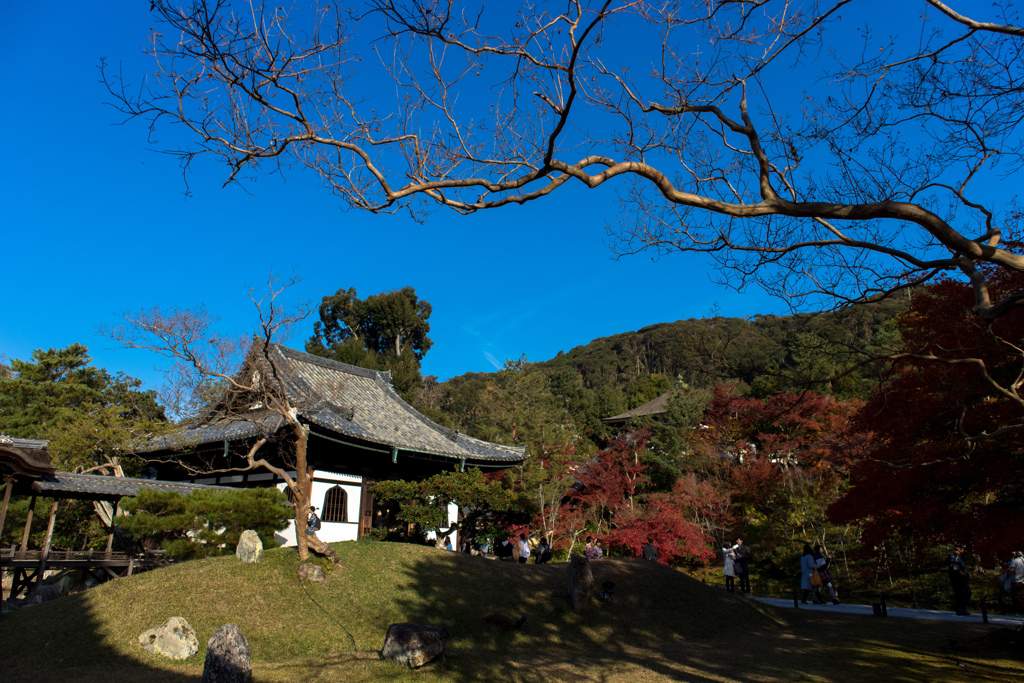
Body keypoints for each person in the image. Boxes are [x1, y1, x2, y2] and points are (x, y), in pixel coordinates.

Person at [948, 542, 972, 616]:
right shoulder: (955, 555)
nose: (963, 550)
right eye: (963, 548)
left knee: (963, 593)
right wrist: (959, 572)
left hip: (958, 577)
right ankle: (960, 608)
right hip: (958, 578)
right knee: (963, 592)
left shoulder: (957, 555)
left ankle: (961, 608)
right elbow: (953, 565)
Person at [1010, 550, 1024, 615]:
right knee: (1021, 596)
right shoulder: (1023, 559)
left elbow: (1011, 569)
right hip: (1022, 580)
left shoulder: (1014, 560)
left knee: (1016, 596)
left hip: (1016, 580)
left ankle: (1018, 611)